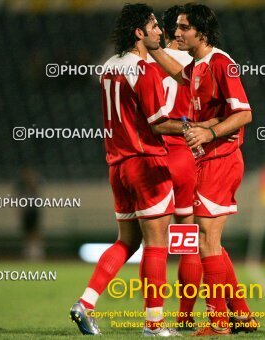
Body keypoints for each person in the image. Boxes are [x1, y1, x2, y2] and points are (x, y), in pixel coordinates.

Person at [69, 4, 187, 336]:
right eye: (153, 26)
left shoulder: (109, 66)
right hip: (147, 163)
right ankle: (154, 324)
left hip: (117, 166)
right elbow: (160, 123)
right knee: (156, 243)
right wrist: (200, 127)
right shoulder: (145, 70)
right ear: (139, 32)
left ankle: (86, 302)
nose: (160, 32)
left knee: (128, 241)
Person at [146, 3, 256, 336]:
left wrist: (207, 132)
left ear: (201, 33)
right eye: (175, 28)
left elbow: (245, 113)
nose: (176, 33)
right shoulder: (196, 67)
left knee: (201, 241)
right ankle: (238, 315)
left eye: (183, 28)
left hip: (218, 159)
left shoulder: (222, 63)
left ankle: (216, 322)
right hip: (204, 159)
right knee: (207, 242)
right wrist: (203, 126)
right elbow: (183, 78)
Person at [148, 5, 202, 329]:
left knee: (154, 244)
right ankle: (184, 315)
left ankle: (153, 318)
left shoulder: (146, 63)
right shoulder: (196, 64)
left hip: (154, 154)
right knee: (187, 239)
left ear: (163, 32)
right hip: (184, 154)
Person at [15, 165, 44, 261]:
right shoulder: (20, 187)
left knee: (35, 231)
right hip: (26, 211)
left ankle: (36, 251)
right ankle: (27, 251)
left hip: (33, 210)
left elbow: (36, 194)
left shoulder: (34, 185)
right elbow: (18, 199)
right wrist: (20, 210)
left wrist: (32, 181)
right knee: (26, 232)